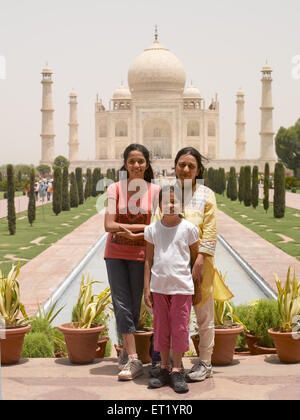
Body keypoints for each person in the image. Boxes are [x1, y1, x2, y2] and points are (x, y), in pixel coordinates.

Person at [153, 147, 217, 383]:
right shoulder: (167, 192)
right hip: (170, 267)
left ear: (198, 169)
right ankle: (169, 365)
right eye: (182, 164)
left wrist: (199, 261)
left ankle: (205, 362)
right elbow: (156, 225)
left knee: (203, 315)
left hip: (199, 265)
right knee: (170, 317)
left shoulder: (206, 194)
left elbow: (210, 231)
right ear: (175, 166)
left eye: (191, 165)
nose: (186, 169)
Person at [104, 143, 160, 381]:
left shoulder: (156, 191)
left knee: (135, 306)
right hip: (115, 253)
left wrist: (127, 229)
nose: (136, 165)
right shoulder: (114, 188)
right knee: (121, 303)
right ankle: (134, 358)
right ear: (125, 164)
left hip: (140, 256)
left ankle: (127, 353)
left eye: (140, 161)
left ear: (147, 164)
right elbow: (108, 225)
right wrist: (142, 229)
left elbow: (158, 226)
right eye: (131, 161)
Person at [144, 186, 200, 394]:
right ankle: (164, 368)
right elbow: (148, 260)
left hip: (182, 288)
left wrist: (197, 287)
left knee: (179, 328)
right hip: (159, 287)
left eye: (175, 201)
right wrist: (146, 287)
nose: (171, 205)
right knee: (161, 328)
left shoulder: (189, 229)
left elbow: (196, 259)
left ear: (182, 205)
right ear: (159, 205)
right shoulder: (151, 230)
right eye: (166, 201)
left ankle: (177, 369)